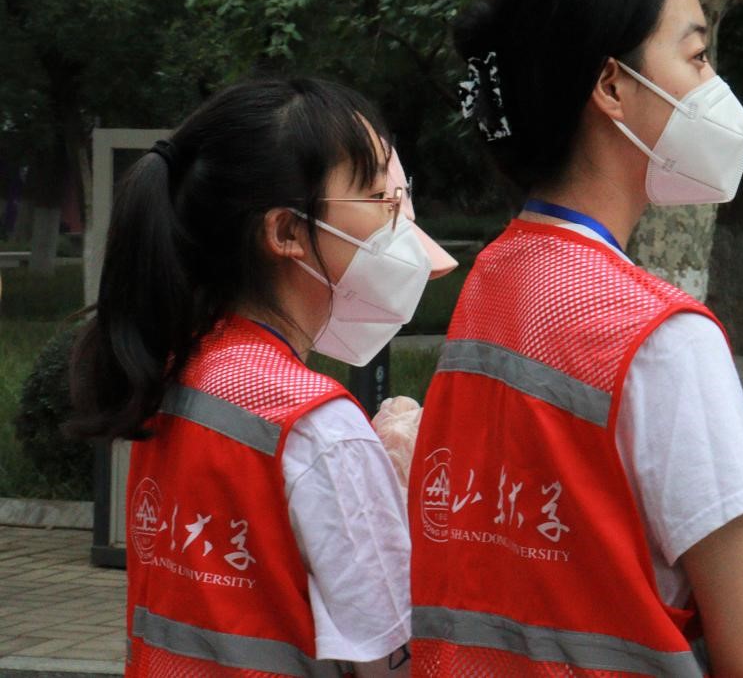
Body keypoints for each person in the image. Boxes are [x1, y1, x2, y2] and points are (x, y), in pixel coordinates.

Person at [407, 0, 743, 677]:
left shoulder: (492, 280)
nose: (712, 86)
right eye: (696, 56)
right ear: (611, 86)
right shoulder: (662, 339)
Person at [67, 78, 455, 677]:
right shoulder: (321, 430)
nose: (399, 222)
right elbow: (397, 664)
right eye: (381, 198)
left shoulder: (178, 371)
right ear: (287, 232)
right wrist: (403, 503)